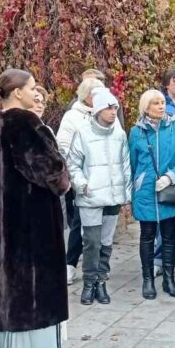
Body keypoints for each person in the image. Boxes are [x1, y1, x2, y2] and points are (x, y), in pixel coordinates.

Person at [0, 69, 70, 348]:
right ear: (17, 92)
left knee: (7, 285)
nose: (35, 92)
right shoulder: (26, 123)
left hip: (4, 216)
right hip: (32, 219)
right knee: (32, 287)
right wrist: (63, 177)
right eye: (31, 87)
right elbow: (52, 172)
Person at [66, 88, 132, 307]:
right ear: (98, 110)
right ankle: (88, 283)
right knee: (91, 242)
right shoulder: (83, 133)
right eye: (109, 108)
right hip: (91, 196)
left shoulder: (119, 134)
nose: (114, 112)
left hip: (112, 198)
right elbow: (73, 163)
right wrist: (81, 184)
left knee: (105, 243)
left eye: (115, 108)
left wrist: (126, 193)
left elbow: (125, 165)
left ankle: (101, 281)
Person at [129, 89, 175, 300]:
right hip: (146, 191)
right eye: (155, 103)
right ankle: (148, 279)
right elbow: (131, 163)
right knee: (147, 235)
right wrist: (134, 187)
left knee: (169, 236)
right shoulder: (136, 132)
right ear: (145, 107)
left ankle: (169, 278)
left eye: (161, 102)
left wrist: (171, 177)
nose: (160, 106)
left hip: (169, 190)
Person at [56, 77, 106, 284]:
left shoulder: (105, 114)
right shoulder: (73, 117)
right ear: (88, 97)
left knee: (102, 222)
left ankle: (100, 265)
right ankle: (70, 264)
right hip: (82, 177)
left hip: (103, 177)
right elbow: (63, 146)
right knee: (78, 221)